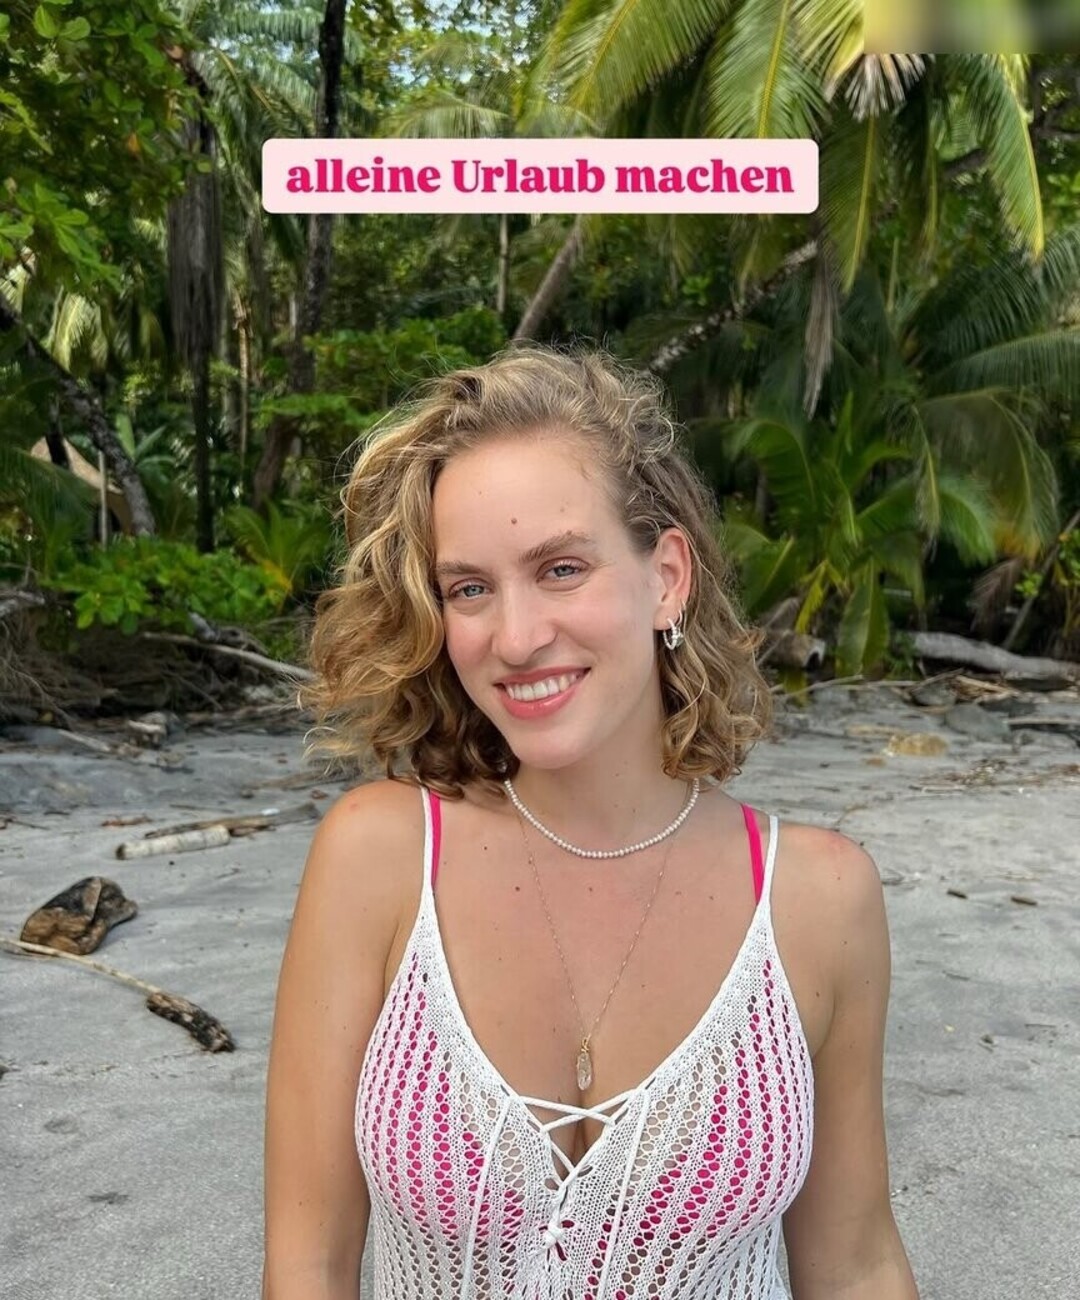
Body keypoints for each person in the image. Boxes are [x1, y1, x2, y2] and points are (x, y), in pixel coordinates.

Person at [262, 344, 920, 1300]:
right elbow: (308, 1263)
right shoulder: (378, 859)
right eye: (469, 588)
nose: (516, 637)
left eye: (561, 568)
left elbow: (855, 1264)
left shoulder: (819, 898)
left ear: (667, 578)